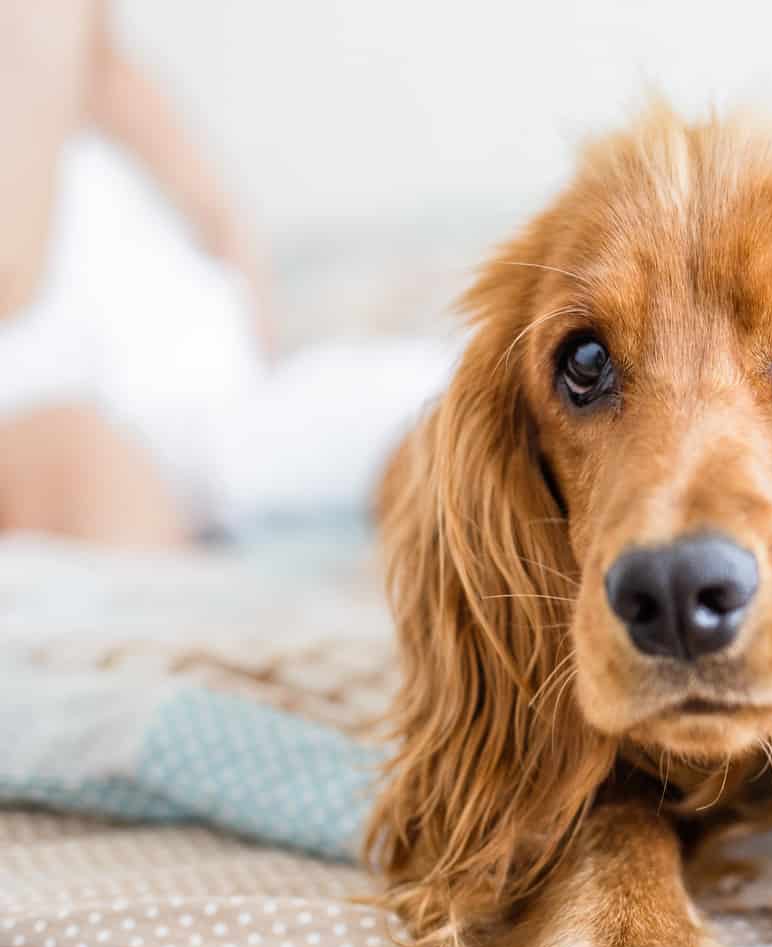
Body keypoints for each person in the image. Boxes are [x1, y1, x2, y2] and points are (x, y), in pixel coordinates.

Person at [0, 2, 449, 546]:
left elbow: (111, 74)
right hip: (72, 385)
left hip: (198, 376)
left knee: (428, 405)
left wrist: (232, 243)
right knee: (93, 464)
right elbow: (12, 277)